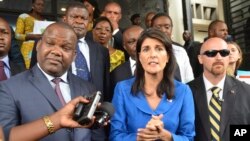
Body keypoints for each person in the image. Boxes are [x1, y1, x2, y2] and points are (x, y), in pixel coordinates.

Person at [0, 22, 99, 141]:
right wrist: (55, 121)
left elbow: (96, 135)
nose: (56, 51)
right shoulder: (9, 88)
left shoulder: (88, 89)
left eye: (65, 48)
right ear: (38, 46)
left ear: (74, 56)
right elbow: (5, 137)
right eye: (50, 43)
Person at [110, 28, 195, 140]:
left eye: (159, 49)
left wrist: (168, 136)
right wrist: (140, 137)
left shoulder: (183, 91)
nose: (153, 55)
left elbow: (188, 137)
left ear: (168, 56)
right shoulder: (122, 89)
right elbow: (115, 136)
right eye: (146, 49)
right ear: (139, 57)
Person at [188, 37, 250, 141]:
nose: (219, 57)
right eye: (211, 53)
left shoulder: (246, 92)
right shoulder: (187, 92)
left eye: (224, 53)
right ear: (200, 59)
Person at [63, 2, 110, 102]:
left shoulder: (102, 51)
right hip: (60, 109)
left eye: (83, 18)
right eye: (74, 17)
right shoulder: (51, 46)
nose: (79, 21)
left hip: (93, 110)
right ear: (65, 19)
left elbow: (105, 87)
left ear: (89, 22)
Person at [151, 13, 194, 83]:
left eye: (167, 27)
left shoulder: (180, 51)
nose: (163, 30)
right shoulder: (147, 52)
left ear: (171, 29)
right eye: (158, 27)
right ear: (151, 30)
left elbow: (189, 79)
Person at [110, 25, 144, 101]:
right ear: (124, 46)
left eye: (141, 40)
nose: (138, 45)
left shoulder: (165, 66)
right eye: (131, 42)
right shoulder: (116, 74)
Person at [15, 0, 45, 69]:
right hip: (27, 51)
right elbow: (16, 35)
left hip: (40, 50)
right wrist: (30, 36)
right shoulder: (24, 16)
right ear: (33, 5)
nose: (40, 7)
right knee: (26, 72)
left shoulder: (45, 21)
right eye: (38, 4)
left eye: (42, 5)